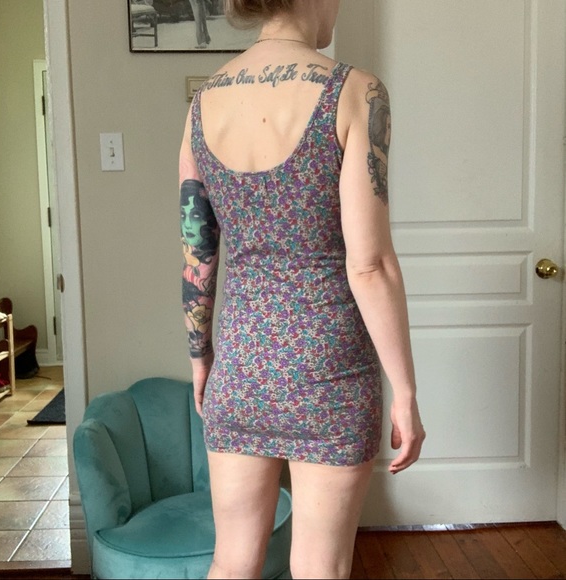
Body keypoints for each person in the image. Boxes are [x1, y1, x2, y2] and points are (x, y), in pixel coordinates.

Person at [179, 0, 426, 577]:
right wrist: (406, 391)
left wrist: (201, 360)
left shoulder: (202, 103)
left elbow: (197, 251)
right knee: (321, 567)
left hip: (240, 367)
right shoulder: (355, 91)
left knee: (232, 561)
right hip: (330, 372)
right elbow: (370, 265)